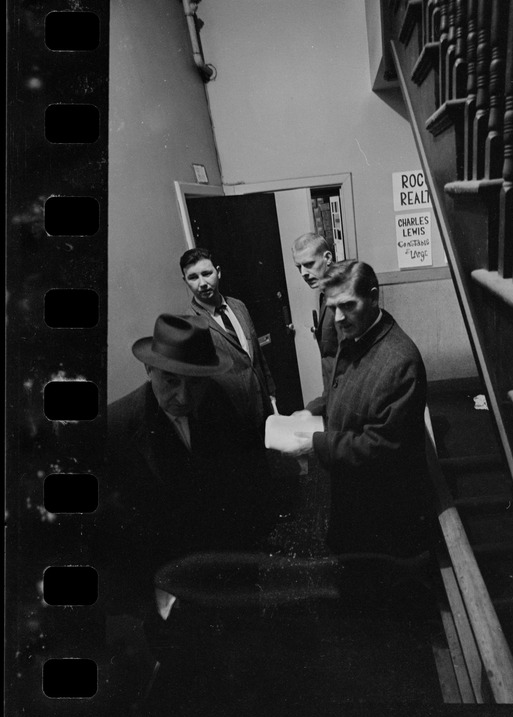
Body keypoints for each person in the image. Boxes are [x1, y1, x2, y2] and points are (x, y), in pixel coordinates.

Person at [100, 313, 274, 615]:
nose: (183, 396)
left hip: (233, 580)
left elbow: (252, 485)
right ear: (148, 368)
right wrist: (151, 593)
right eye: (170, 380)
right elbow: (111, 533)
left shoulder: (228, 401)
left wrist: (248, 562)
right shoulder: (115, 428)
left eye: (195, 384)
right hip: (170, 594)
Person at [289, 260, 432, 559]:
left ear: (374, 296)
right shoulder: (358, 332)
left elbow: (383, 446)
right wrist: (312, 411)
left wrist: (315, 443)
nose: (339, 318)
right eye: (332, 307)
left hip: (382, 514)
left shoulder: (400, 361)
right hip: (354, 494)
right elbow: (341, 388)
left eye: (348, 305)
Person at [180, 247, 276, 430]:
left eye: (207, 273)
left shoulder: (239, 306)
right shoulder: (190, 325)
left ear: (219, 272)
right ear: (185, 282)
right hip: (231, 422)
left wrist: (271, 395)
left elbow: (257, 356)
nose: (202, 283)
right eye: (193, 277)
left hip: (263, 408)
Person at [291, 232, 339, 385]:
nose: (304, 273)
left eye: (309, 264)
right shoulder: (324, 292)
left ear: (328, 258)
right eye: (299, 267)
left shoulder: (343, 297)